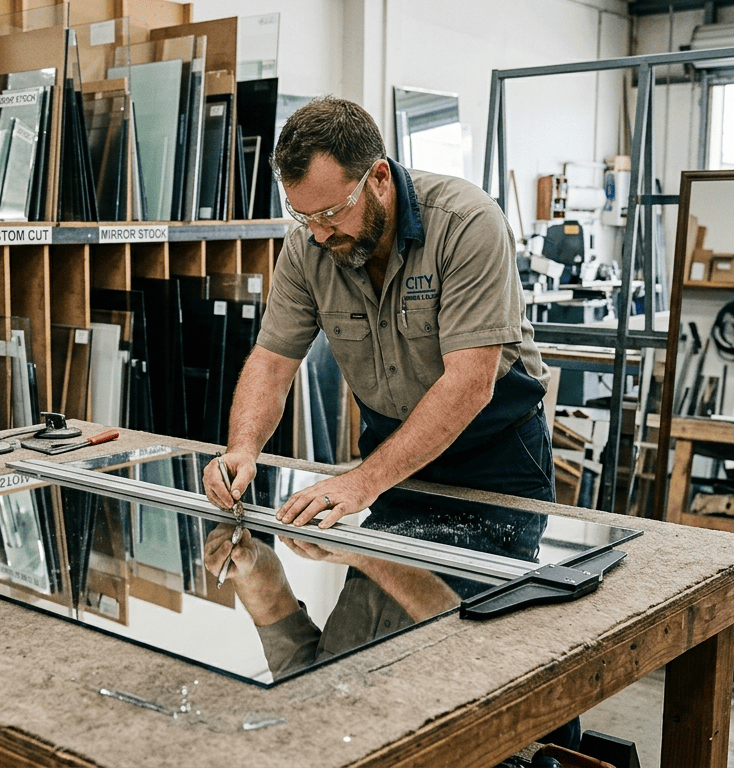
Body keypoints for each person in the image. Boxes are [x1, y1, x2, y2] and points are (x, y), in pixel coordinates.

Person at [203, 95, 553, 530]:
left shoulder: (466, 223)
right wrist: (242, 448)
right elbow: (272, 364)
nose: (317, 233)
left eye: (330, 213)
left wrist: (361, 482)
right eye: (302, 214)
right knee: (381, 597)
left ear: (380, 179)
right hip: (392, 453)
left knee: (500, 596)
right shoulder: (306, 247)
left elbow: (469, 383)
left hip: (495, 455)